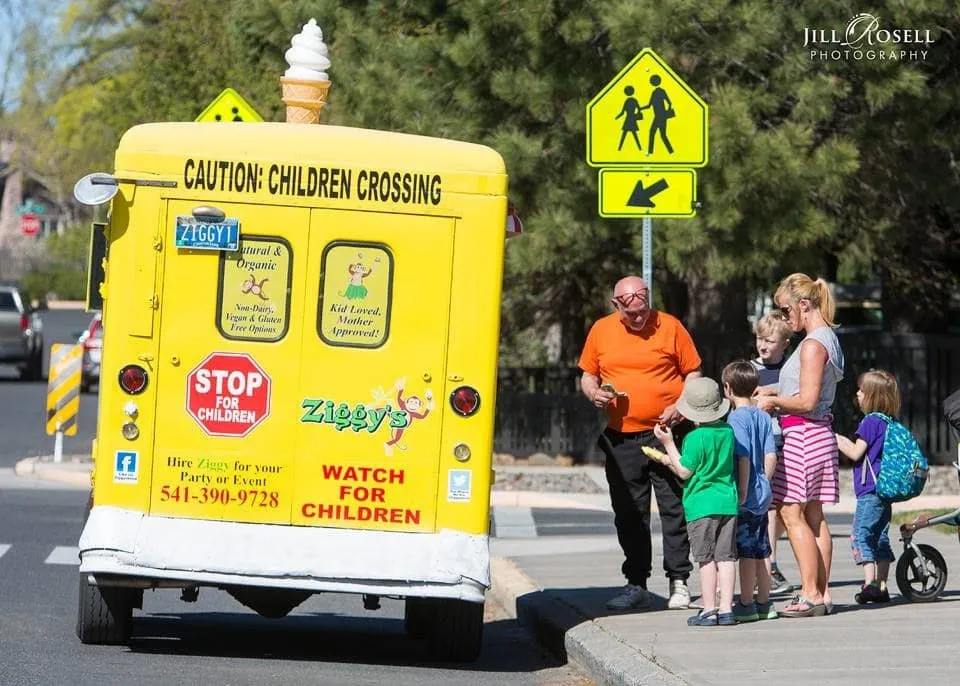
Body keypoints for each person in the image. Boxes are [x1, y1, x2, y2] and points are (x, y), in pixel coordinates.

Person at [579, 275, 702, 611]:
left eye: (643, 310)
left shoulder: (671, 326)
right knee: (629, 514)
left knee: (674, 509)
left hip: (666, 433)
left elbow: (693, 371)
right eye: (630, 312)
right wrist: (594, 392)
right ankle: (636, 583)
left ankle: (679, 581)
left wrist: (681, 404)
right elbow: (588, 374)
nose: (638, 317)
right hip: (621, 438)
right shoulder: (602, 330)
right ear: (616, 305)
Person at [757, 273, 844, 618]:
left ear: (804, 306)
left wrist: (772, 402)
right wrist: (775, 392)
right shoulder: (827, 339)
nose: (784, 318)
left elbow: (807, 400)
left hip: (803, 434)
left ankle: (809, 593)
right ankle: (821, 593)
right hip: (819, 434)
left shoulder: (811, 344)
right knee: (813, 514)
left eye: (786, 310)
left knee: (791, 513)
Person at [652, 377, 738, 626]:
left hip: (701, 505)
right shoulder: (728, 432)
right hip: (727, 503)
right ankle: (726, 609)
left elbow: (685, 471)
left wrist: (668, 445)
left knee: (706, 559)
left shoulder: (694, 438)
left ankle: (709, 609)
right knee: (727, 558)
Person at [835, 369, 900, 604]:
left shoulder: (870, 422)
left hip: (869, 490)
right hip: (884, 489)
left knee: (861, 534)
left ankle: (870, 585)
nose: (858, 394)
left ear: (872, 396)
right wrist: (840, 438)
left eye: (862, 390)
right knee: (881, 536)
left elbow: (856, 452)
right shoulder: (888, 421)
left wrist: (836, 440)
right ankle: (882, 586)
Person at [722, 361, 779, 622]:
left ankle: (746, 603)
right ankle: (765, 602)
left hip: (745, 497)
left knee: (745, 552)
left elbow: (742, 458)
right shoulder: (763, 417)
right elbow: (771, 454)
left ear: (728, 389)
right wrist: (764, 483)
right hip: (762, 494)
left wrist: (743, 491)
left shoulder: (735, 419)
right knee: (763, 550)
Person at [751, 311, 794, 594]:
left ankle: (771, 563)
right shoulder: (749, 369)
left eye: (770, 340)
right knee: (762, 503)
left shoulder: (791, 370)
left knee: (776, 505)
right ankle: (762, 563)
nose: (763, 345)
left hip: (784, 440)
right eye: (759, 338)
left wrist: (772, 392)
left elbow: (799, 395)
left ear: (785, 343)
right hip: (757, 443)